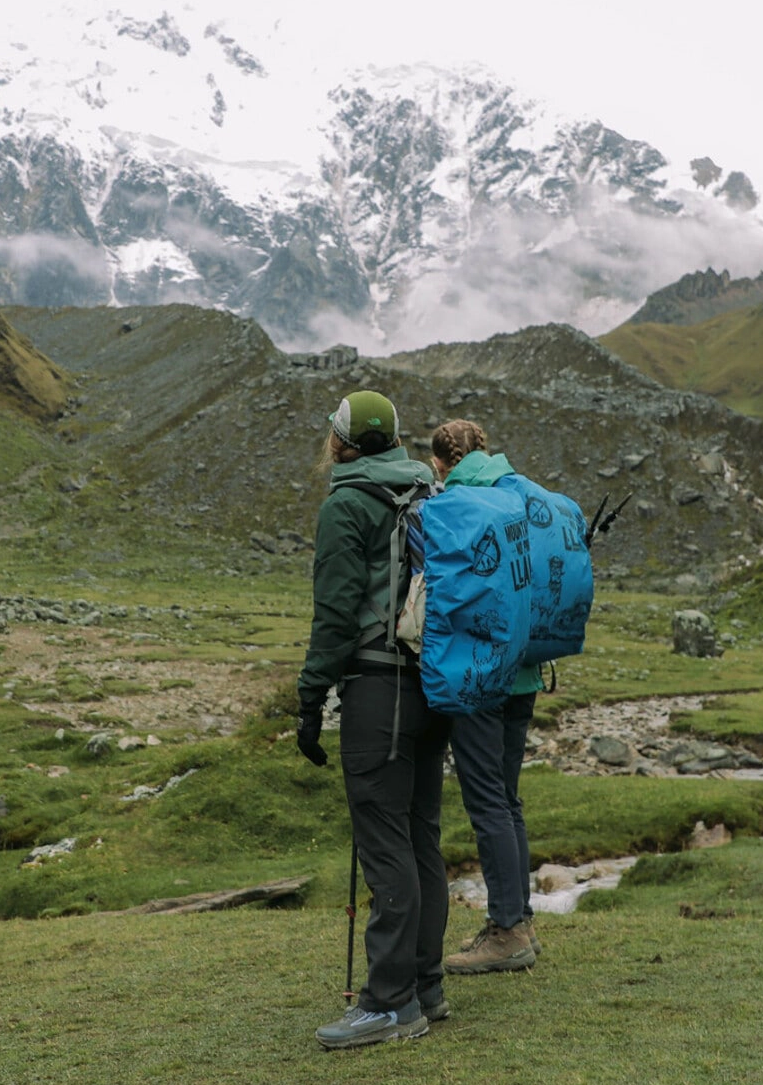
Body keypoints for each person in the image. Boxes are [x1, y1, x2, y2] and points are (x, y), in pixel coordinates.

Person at [296, 391, 450, 1050]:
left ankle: (390, 1005)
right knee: (419, 837)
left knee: (384, 844)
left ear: (345, 442)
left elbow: (335, 610)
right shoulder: (428, 492)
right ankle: (425, 987)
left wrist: (310, 696)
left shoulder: (347, 503)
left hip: (376, 689)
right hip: (431, 684)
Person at [431, 420, 543, 975]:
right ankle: (519, 917)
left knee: (487, 804)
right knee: (509, 799)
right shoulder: (517, 491)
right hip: (525, 672)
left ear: (440, 464)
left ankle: (506, 932)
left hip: (480, 678)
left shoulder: (457, 503)